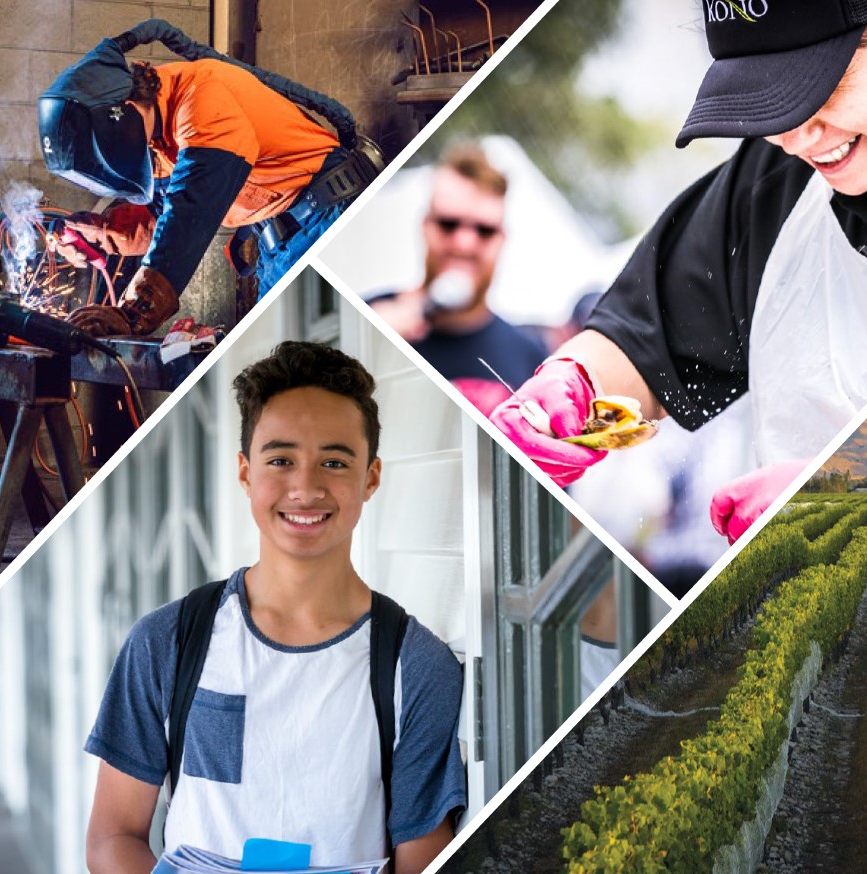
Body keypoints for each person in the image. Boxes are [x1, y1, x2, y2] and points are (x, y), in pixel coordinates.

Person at [491, 0, 867, 547]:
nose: (796, 137)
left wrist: (851, 492)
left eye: (818, 88)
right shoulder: (778, 184)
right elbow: (641, 339)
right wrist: (573, 385)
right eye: (769, 101)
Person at [83, 342, 464, 873]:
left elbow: (423, 858)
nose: (305, 488)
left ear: (371, 478)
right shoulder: (168, 640)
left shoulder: (416, 665)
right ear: (245, 472)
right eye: (281, 460)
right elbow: (112, 837)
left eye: (334, 461)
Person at [38, 19, 381, 337]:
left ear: (124, 109)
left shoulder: (201, 101)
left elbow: (189, 210)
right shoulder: (156, 128)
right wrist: (101, 234)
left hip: (329, 219)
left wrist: (133, 314)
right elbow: (162, 212)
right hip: (286, 235)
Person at [367, 143, 547, 417]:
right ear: (425, 226)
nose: (464, 243)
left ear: (501, 240)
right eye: (449, 224)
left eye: (484, 230)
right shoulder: (368, 317)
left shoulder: (530, 360)